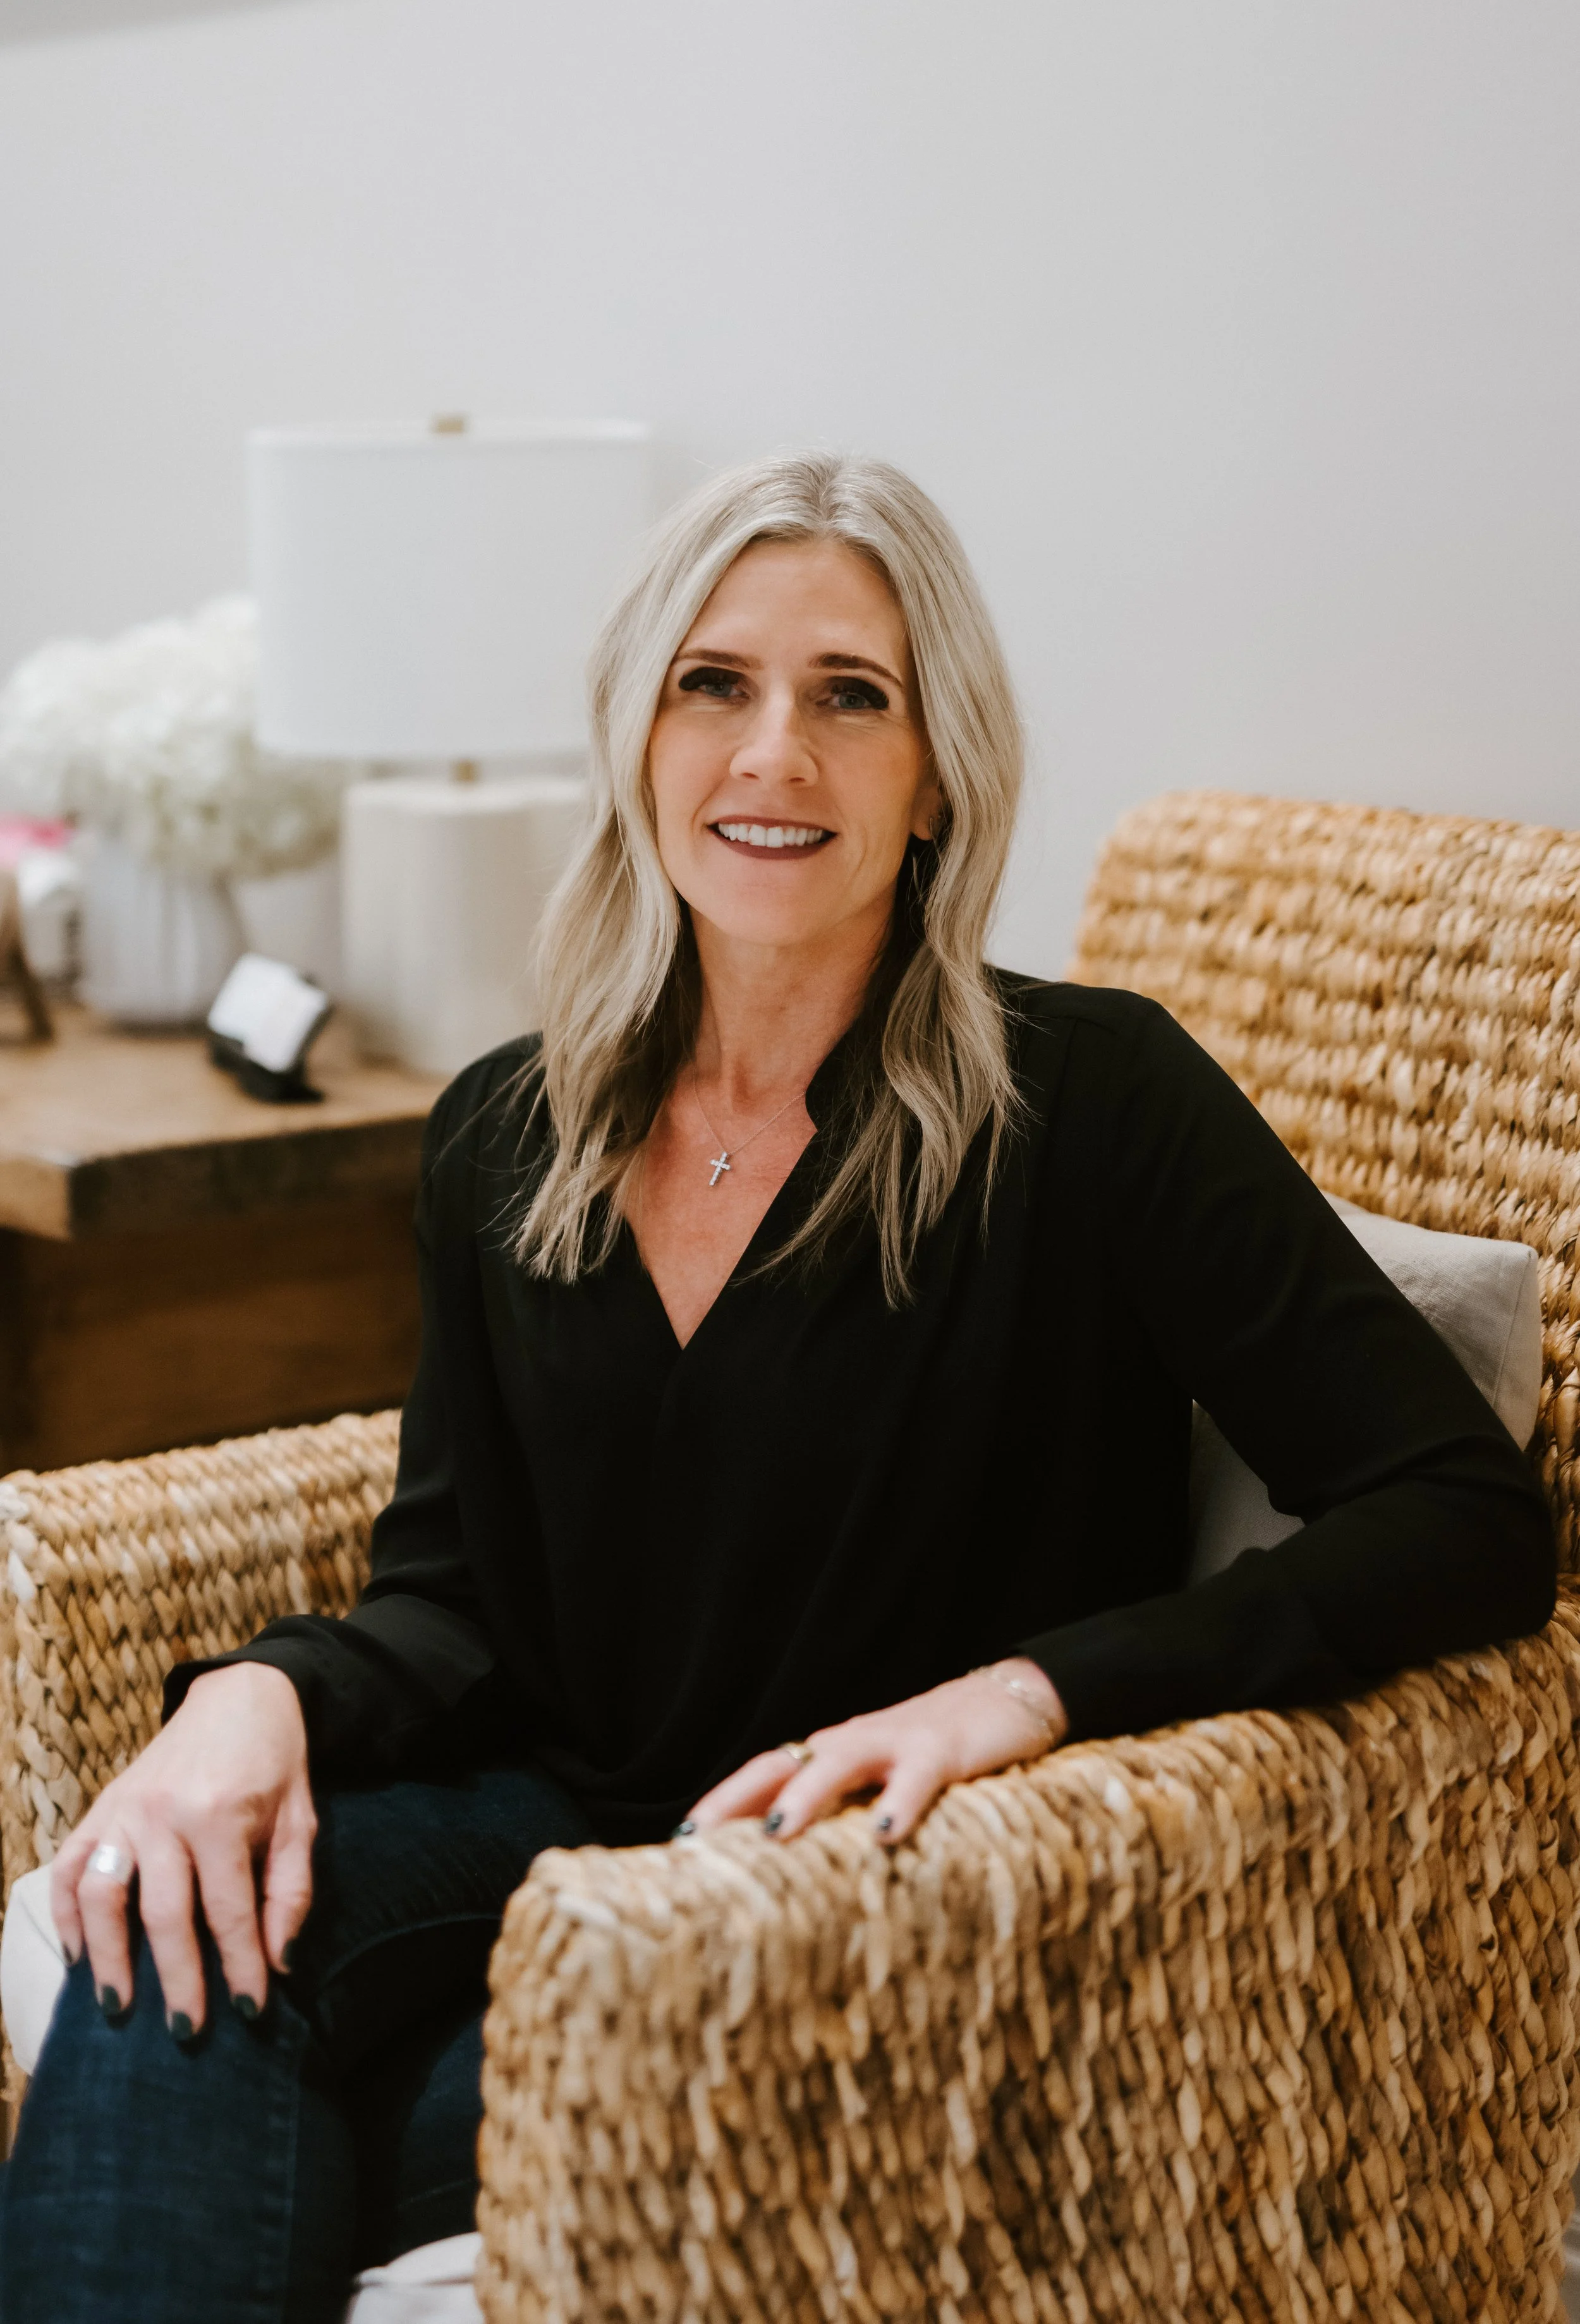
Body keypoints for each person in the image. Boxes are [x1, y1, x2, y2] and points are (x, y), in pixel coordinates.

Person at [1, 452, 1553, 2321]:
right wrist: (255, 1692)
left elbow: (1462, 1520)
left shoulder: (1091, 1103)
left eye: (850, 695)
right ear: (635, 731)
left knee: (242, 2077)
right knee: (156, 1931)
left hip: (855, 1915)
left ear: (934, 776)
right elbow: (453, 1595)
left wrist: (1032, 1691)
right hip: (552, 1843)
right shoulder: (514, 1125)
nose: (772, 754)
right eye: (712, 683)